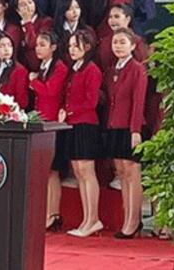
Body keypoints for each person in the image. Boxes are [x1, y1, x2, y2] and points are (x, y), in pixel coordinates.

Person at [104, 28, 148, 239]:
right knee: (121, 172)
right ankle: (127, 218)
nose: (118, 46)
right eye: (115, 42)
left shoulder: (137, 69)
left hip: (130, 127)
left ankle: (134, 220)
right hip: (115, 125)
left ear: (132, 45)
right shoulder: (113, 70)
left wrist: (135, 129)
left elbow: (138, 101)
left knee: (132, 172)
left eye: (122, 42)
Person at [60, 30, 103, 238]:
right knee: (78, 171)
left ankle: (93, 218)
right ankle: (87, 219)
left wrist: (69, 111)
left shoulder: (92, 70)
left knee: (87, 171)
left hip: (86, 124)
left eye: (76, 46)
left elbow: (91, 101)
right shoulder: (74, 69)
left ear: (87, 47)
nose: (72, 50)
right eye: (70, 46)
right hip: (72, 123)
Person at [28, 30, 68, 231]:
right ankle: (46, 212)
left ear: (53, 47)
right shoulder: (42, 68)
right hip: (41, 122)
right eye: (37, 45)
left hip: (53, 123)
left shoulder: (59, 67)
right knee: (45, 171)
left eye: (43, 44)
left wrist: (33, 82)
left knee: (53, 171)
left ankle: (53, 213)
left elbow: (51, 91)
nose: (38, 48)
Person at [0, 32, 29, 109]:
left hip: (11, 113)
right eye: (2, 46)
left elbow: (22, 101)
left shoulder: (20, 70)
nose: (7, 49)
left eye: (9, 46)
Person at [17, 0, 54, 72]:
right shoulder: (16, 26)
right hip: (22, 69)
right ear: (18, 10)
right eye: (23, 5)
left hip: (40, 67)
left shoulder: (46, 22)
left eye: (30, 2)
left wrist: (28, 22)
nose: (27, 7)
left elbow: (34, 44)